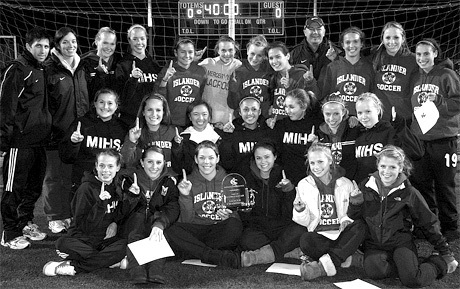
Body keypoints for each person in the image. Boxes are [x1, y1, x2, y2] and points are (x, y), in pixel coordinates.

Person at [348, 145, 458, 287]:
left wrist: (445, 252)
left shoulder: (409, 192)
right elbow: (353, 217)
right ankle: (405, 265)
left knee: (413, 280)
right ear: (378, 166)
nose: (386, 171)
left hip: (400, 243)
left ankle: (437, 263)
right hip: (374, 245)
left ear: (400, 168)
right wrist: (355, 203)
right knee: (374, 272)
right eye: (383, 166)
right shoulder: (366, 185)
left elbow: (428, 222)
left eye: (392, 167)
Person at [0, 27, 51, 249]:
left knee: (34, 187)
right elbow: (6, 106)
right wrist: (4, 138)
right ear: (28, 46)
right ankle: (9, 233)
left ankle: (24, 224)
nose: (43, 50)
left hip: (38, 140)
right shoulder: (17, 69)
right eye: (38, 45)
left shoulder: (40, 69)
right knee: (14, 188)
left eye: (46, 46)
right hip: (18, 142)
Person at [43, 149, 128, 277]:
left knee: (125, 245)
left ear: (118, 167)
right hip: (83, 240)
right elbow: (83, 226)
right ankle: (108, 261)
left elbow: (120, 213)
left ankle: (74, 267)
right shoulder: (86, 189)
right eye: (102, 165)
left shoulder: (117, 187)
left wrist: (115, 222)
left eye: (110, 166)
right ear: (96, 166)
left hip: (103, 241)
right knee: (62, 243)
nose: (105, 170)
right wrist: (100, 204)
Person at [409, 39, 460, 242]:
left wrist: (438, 103)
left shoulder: (446, 74)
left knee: (444, 185)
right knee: (422, 185)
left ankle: (450, 227)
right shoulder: (415, 77)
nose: (422, 58)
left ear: (435, 53)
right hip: (420, 141)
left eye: (426, 54)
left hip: (443, 140)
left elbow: (458, 101)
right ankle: (428, 226)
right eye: (418, 54)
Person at [164, 141, 242, 268]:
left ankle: (194, 251)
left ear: (218, 158)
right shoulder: (187, 181)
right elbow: (187, 219)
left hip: (217, 230)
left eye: (211, 158)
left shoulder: (230, 181)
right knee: (171, 230)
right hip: (196, 229)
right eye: (202, 158)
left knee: (235, 226)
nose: (206, 162)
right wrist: (185, 195)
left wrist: (229, 216)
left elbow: (237, 216)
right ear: (196, 159)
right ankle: (213, 255)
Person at [293, 143, 365, 280]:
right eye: (312, 162)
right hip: (320, 236)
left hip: (341, 233)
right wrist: (300, 210)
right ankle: (345, 256)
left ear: (330, 161)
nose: (316, 167)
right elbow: (304, 221)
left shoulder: (346, 183)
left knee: (360, 226)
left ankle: (327, 264)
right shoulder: (303, 184)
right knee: (305, 240)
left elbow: (351, 216)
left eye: (320, 161)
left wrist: (355, 204)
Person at [44, 27, 89, 234]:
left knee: (71, 177)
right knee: (54, 177)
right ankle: (55, 217)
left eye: (73, 41)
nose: (70, 46)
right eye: (65, 43)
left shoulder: (81, 66)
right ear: (57, 45)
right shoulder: (48, 69)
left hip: (77, 132)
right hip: (56, 134)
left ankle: (68, 214)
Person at [237, 140, 306, 268]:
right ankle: (287, 252)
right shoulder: (246, 177)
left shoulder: (285, 175)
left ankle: (265, 254)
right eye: (258, 158)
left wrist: (289, 191)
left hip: (282, 227)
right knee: (246, 240)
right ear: (254, 159)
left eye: (267, 157)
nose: (263, 162)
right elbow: (245, 216)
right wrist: (244, 211)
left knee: (300, 230)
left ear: (275, 157)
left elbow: (290, 214)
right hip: (259, 228)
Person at [120, 145, 180, 284]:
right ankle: (137, 269)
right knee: (138, 223)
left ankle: (155, 270)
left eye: (159, 162)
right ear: (142, 162)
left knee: (160, 231)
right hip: (133, 225)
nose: (154, 167)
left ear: (164, 163)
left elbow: (173, 207)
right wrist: (131, 196)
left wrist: (159, 224)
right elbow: (121, 211)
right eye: (150, 162)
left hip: (155, 223)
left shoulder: (169, 182)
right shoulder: (128, 179)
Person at [59, 88, 127, 194]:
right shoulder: (81, 124)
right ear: (95, 104)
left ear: (116, 106)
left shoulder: (123, 129)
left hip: (112, 187)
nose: (105, 107)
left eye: (110, 103)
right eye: (101, 102)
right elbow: (66, 157)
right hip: (83, 185)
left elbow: (126, 161)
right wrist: (73, 143)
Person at [353, 92, 423, 183]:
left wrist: (400, 126)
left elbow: (417, 153)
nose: (363, 116)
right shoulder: (356, 134)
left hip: (388, 190)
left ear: (377, 110)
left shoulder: (391, 130)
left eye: (368, 111)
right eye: (360, 113)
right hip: (363, 191)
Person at [271, 88, 321, 186]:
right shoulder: (280, 125)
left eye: (291, 107)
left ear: (303, 107)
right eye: (285, 106)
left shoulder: (316, 125)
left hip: (310, 180)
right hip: (286, 180)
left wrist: (316, 145)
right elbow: (276, 154)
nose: (287, 111)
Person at [319, 27, 374, 115]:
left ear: (361, 44)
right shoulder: (332, 67)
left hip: (362, 119)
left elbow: (373, 98)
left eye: (355, 41)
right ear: (343, 45)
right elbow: (325, 97)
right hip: (338, 120)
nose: (351, 46)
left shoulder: (370, 68)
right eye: (348, 42)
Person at [370, 21, 418, 121]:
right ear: (382, 39)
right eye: (388, 37)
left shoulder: (414, 60)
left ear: (403, 38)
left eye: (396, 37)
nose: (392, 42)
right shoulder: (373, 58)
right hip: (379, 117)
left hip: (404, 117)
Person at [116, 24, 162, 126]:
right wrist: (133, 79)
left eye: (142, 38)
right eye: (135, 39)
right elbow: (120, 96)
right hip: (130, 119)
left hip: (151, 118)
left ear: (146, 39)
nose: (139, 42)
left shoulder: (154, 65)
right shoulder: (123, 65)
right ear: (129, 40)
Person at [155, 38, 207, 128]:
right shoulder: (168, 70)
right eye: (183, 52)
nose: (187, 55)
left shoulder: (201, 71)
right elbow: (157, 96)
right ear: (176, 53)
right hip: (171, 123)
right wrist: (165, 79)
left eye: (190, 52)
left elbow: (203, 95)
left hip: (194, 124)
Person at [120, 93, 176, 172]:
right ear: (143, 112)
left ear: (164, 112)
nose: (154, 114)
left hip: (168, 180)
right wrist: (131, 142)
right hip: (143, 181)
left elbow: (179, 163)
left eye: (158, 110)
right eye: (150, 110)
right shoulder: (135, 133)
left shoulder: (173, 132)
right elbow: (125, 162)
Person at [266, 41, 318, 123]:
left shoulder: (301, 74)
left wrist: (289, 88)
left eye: (278, 57)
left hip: (293, 125)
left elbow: (309, 102)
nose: (274, 61)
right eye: (271, 58)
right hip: (278, 124)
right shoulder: (273, 76)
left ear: (287, 56)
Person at [219, 96, 272, 173]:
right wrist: (227, 136)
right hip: (239, 181)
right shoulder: (233, 132)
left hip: (262, 181)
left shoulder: (267, 132)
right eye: (245, 110)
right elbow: (226, 163)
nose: (250, 113)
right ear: (240, 112)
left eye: (254, 109)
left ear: (259, 112)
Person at [199, 35, 242, 128]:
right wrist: (194, 61)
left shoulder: (238, 66)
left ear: (235, 50)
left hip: (229, 120)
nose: (227, 54)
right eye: (223, 50)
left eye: (230, 50)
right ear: (218, 51)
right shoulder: (208, 64)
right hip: (208, 119)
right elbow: (190, 72)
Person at [315, 93, 359, 180]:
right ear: (322, 113)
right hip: (328, 182)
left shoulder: (354, 129)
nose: (331, 118)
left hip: (352, 181)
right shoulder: (318, 134)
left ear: (343, 112)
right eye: (327, 114)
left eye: (336, 114)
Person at [228, 35, 273, 118]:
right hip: (244, 119)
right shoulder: (238, 71)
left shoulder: (270, 70)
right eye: (252, 53)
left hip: (264, 119)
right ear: (247, 51)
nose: (255, 58)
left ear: (264, 56)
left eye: (259, 55)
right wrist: (233, 91)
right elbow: (233, 104)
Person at [171, 100, 221, 175]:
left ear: (209, 116)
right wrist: (177, 146)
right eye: (196, 114)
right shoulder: (183, 138)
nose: (200, 118)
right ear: (190, 117)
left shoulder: (218, 136)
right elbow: (178, 167)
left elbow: (227, 163)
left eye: (204, 114)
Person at [289, 16, 339, 80]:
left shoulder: (336, 52)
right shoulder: (294, 54)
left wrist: (335, 60)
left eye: (319, 29)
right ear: (305, 32)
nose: (315, 32)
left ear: (324, 32)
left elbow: (344, 73)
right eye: (311, 29)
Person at [81, 27, 121, 102]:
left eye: (112, 44)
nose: (109, 47)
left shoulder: (119, 63)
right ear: (96, 41)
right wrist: (100, 74)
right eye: (105, 43)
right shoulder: (84, 63)